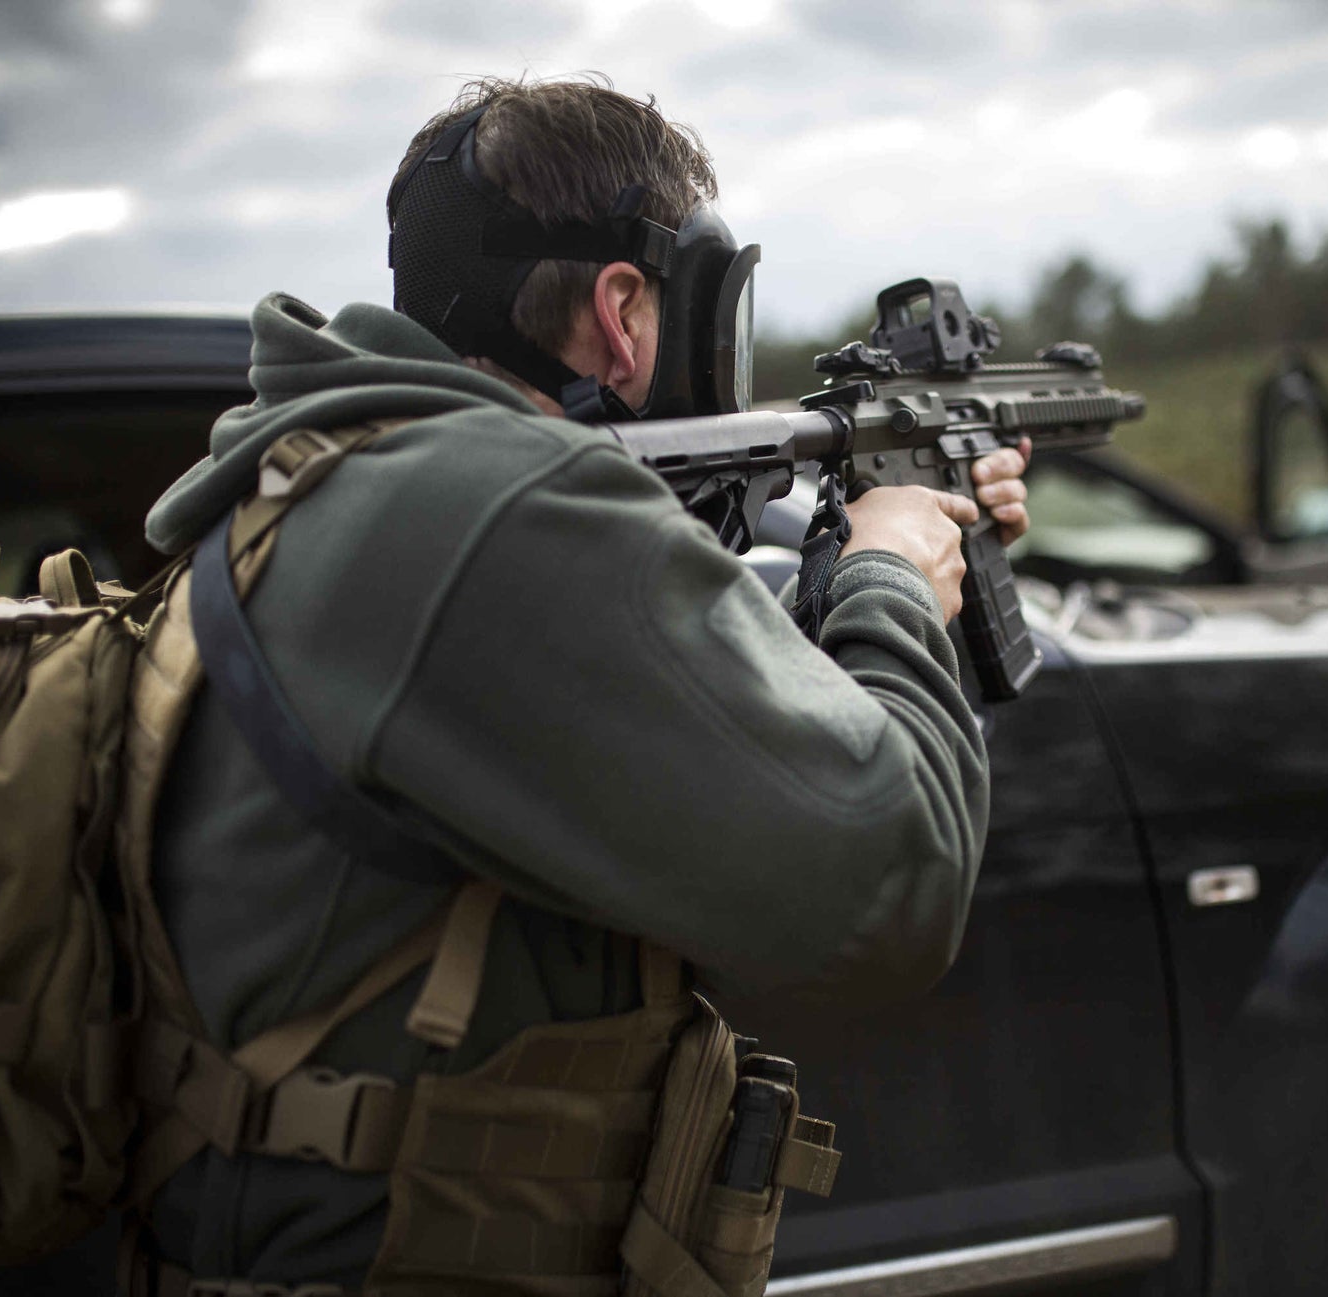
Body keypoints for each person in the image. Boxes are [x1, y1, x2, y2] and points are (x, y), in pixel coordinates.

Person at [119, 75, 1032, 1292]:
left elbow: (651, 667)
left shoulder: (329, 473)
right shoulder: (487, 513)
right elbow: (899, 881)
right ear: (620, 310)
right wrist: (894, 579)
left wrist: (880, 563)